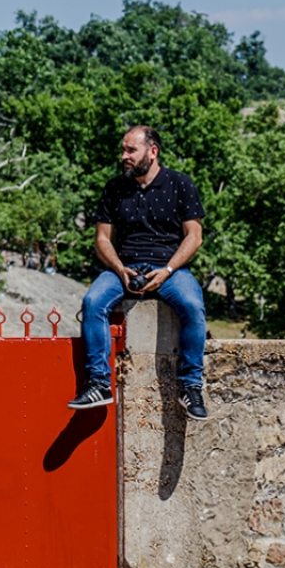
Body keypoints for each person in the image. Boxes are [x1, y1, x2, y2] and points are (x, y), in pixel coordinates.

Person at [68, 126, 208, 420]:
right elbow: (102, 239)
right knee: (93, 302)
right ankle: (98, 383)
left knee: (193, 305)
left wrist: (168, 270)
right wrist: (119, 269)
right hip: (125, 267)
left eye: (131, 150)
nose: (124, 156)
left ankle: (191, 386)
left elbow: (194, 236)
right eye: (124, 149)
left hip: (170, 269)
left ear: (152, 151)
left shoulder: (180, 184)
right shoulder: (114, 188)